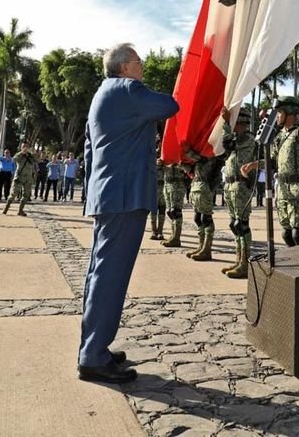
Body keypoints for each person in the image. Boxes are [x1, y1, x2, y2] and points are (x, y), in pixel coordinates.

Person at [78, 43, 178, 385]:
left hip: (106, 196)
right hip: (123, 197)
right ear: (123, 67)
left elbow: (89, 152)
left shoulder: (101, 95)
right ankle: (93, 356)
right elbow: (169, 105)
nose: (142, 65)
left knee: (99, 274)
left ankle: (94, 347)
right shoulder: (129, 90)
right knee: (110, 277)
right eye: (138, 60)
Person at [244, 96, 299, 247]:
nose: (277, 116)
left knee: (298, 234)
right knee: (287, 234)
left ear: (289, 113)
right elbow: (273, 162)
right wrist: (254, 165)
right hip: (283, 191)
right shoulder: (280, 136)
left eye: (280, 112)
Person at [219, 106, 256, 279]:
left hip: (241, 186)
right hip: (231, 186)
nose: (233, 126)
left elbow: (228, 143)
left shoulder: (247, 138)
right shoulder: (237, 139)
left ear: (241, 122)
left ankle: (245, 263)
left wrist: (226, 123)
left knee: (242, 225)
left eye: (235, 122)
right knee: (235, 225)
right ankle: (238, 259)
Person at [183, 148, 224, 262]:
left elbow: (202, 160)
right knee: (198, 219)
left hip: (204, 190)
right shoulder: (199, 161)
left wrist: (188, 152)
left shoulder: (210, 158)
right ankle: (201, 247)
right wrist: (179, 163)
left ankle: (207, 249)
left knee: (205, 219)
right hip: (196, 189)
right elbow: (192, 171)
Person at [2, 141, 36, 216]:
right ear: (21, 147)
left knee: (26, 195)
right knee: (13, 194)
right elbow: (14, 160)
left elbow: (37, 160)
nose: (25, 148)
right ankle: (6, 209)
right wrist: (22, 153)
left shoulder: (31, 156)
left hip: (28, 178)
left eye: (26, 147)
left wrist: (35, 153)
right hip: (19, 177)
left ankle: (20, 210)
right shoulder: (19, 155)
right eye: (23, 147)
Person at [160, 161, 185, 247]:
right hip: (167, 183)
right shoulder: (164, 150)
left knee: (176, 211)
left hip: (177, 185)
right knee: (170, 212)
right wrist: (159, 162)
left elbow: (186, 165)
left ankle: (176, 238)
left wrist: (176, 163)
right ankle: (173, 235)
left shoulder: (181, 150)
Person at [150, 156, 166, 241]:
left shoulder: (166, 161)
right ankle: (153, 231)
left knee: (162, 211)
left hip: (163, 189)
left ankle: (160, 232)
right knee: (153, 212)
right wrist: (156, 165)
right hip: (154, 189)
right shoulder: (153, 155)